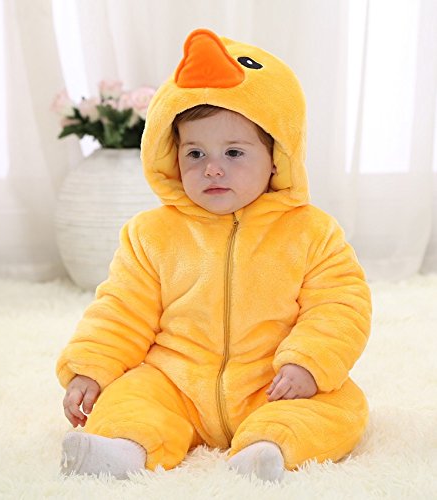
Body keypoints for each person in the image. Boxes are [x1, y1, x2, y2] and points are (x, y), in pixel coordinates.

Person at [56, 28, 371, 482]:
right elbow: (121, 309)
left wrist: (307, 362)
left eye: (234, 152)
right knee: (131, 396)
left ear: (277, 157)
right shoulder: (151, 234)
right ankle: (121, 448)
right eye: (196, 153)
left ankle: (267, 448)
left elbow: (340, 305)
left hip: (274, 382)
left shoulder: (312, 232)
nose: (212, 168)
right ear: (172, 156)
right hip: (176, 380)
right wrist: (90, 369)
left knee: (341, 406)